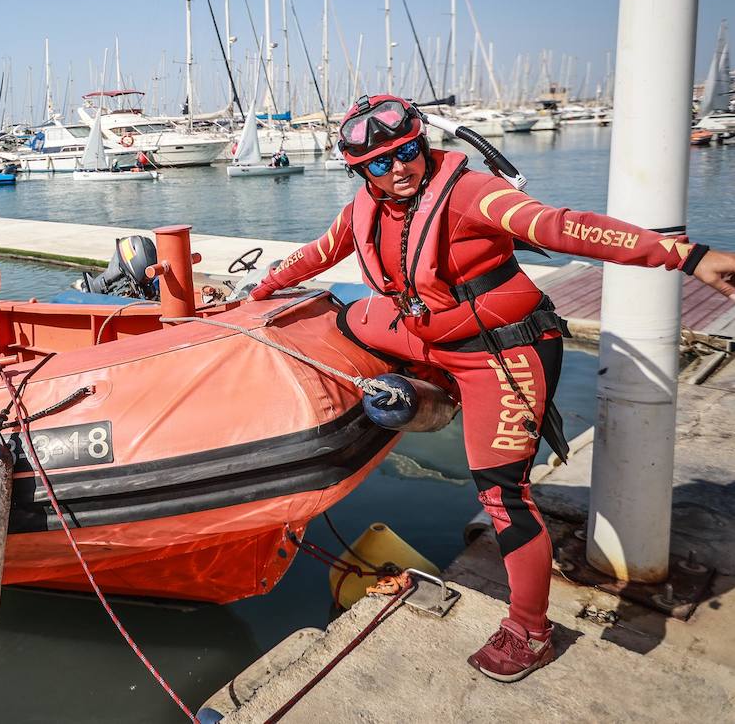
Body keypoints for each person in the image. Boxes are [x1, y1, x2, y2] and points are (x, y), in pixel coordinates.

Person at [250, 94, 735, 683]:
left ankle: (530, 632)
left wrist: (688, 256)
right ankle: (432, 383)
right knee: (344, 319)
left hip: (500, 352)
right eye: (380, 163)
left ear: (421, 144)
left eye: (407, 151)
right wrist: (260, 290)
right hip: (427, 336)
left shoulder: (469, 194)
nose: (399, 168)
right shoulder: (364, 209)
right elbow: (319, 254)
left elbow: (562, 227)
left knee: (503, 497)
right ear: (359, 172)